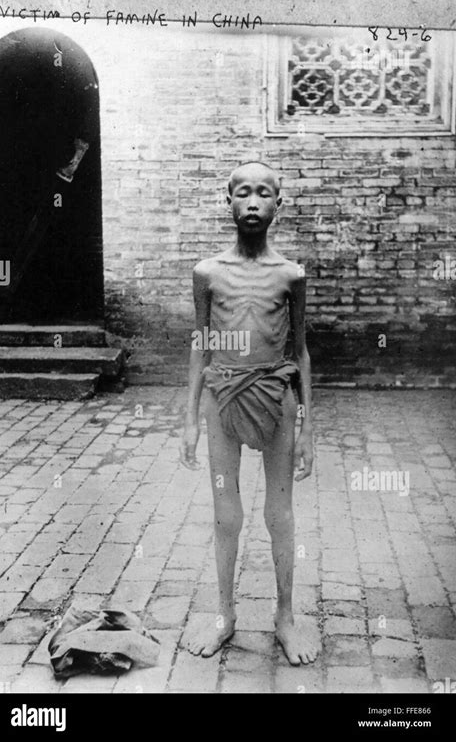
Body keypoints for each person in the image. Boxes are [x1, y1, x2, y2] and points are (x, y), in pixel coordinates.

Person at [180, 161, 319, 665]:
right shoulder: (208, 273)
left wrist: (308, 429)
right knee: (226, 513)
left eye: (264, 193)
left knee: (279, 513)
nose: (254, 201)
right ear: (229, 202)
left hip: (276, 401)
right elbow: (201, 344)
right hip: (222, 401)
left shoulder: (290, 275)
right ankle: (225, 616)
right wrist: (190, 419)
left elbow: (300, 352)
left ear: (278, 205)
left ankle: (285, 617)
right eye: (244, 192)